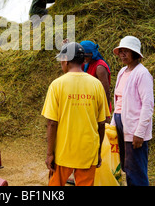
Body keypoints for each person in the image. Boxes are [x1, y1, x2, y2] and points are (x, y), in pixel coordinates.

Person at [42, 42, 107, 186]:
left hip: (63, 153)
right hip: (88, 152)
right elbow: (101, 124)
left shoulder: (57, 85)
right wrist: (98, 152)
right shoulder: (97, 85)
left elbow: (52, 123)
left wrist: (49, 154)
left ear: (65, 61)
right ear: (83, 60)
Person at [110, 36, 154, 186]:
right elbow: (118, 101)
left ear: (135, 53)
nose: (122, 54)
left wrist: (140, 133)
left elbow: (147, 106)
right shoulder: (122, 72)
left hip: (134, 128)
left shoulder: (142, 74)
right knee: (126, 166)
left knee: (136, 170)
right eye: (121, 51)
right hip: (120, 123)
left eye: (126, 51)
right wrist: (112, 125)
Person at [80, 40, 112, 112]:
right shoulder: (87, 63)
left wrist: (105, 112)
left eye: (85, 56)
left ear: (92, 54)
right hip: (89, 104)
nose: (83, 58)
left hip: (99, 106)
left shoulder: (99, 67)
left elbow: (105, 92)